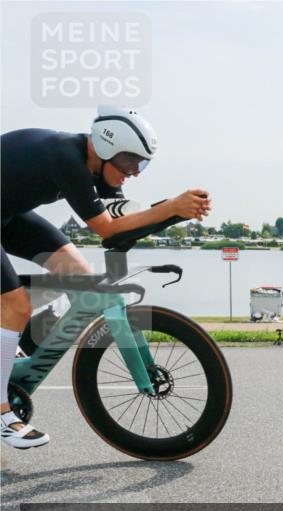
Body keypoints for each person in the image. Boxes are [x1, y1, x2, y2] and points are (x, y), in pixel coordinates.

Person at [1, 106, 212, 449]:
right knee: (16, 305)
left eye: (141, 164)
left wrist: (173, 214)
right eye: (130, 163)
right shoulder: (66, 158)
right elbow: (104, 228)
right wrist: (172, 206)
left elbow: (123, 223)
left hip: (7, 214)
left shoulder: (96, 168)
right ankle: (3, 416)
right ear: (104, 149)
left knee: (84, 282)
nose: (135, 173)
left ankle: (26, 342)